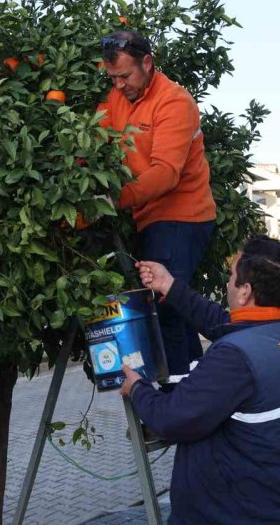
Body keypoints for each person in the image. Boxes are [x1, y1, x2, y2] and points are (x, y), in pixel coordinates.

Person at [120, 235, 280, 524]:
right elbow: (227, 323)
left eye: (231, 277)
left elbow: (171, 419)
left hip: (233, 514)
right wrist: (170, 286)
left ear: (245, 292)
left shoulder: (235, 357)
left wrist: (136, 388)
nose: (227, 282)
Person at [98, 30, 216, 384]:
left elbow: (165, 174)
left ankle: (177, 403)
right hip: (149, 218)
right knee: (173, 308)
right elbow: (94, 137)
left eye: (125, 76)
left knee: (165, 305)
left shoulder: (174, 102)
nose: (119, 85)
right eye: (113, 78)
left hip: (183, 217)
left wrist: (110, 201)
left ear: (147, 63)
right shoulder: (117, 97)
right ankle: (199, 388)